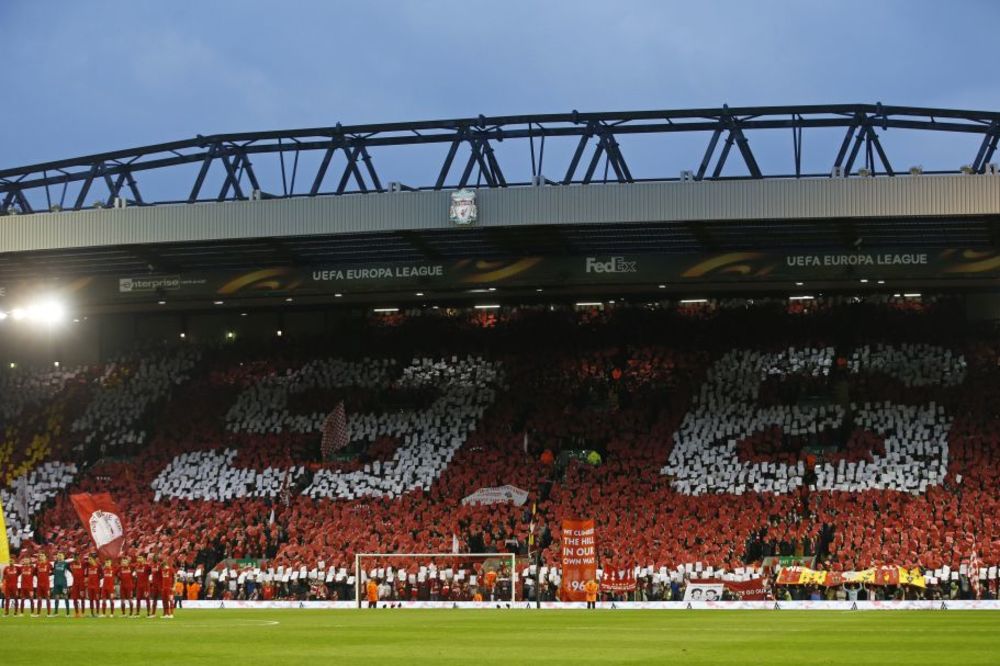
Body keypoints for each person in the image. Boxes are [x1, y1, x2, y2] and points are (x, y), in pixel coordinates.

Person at [35, 553, 53, 617]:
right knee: (39, 599)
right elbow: (35, 572)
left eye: (43, 556)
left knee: (47, 598)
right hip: (39, 584)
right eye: (40, 556)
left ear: (45, 557)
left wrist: (47, 575)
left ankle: (49, 613)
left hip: (46, 584)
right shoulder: (37, 564)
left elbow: (52, 571)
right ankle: (38, 613)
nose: (41, 557)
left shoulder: (49, 564)